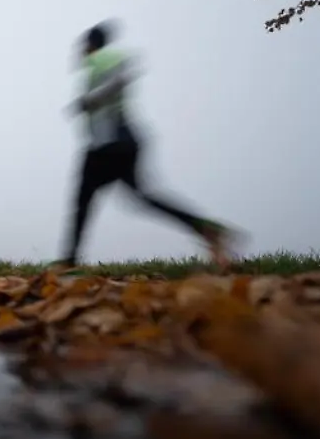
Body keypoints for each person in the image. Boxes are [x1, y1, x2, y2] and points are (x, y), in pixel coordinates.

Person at [55, 21, 236, 271]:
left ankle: (69, 261)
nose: (80, 51)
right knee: (143, 196)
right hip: (126, 139)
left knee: (83, 199)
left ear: (90, 44)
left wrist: (88, 100)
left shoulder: (101, 59)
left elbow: (122, 76)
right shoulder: (97, 64)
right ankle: (206, 229)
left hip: (109, 143)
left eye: (83, 45)